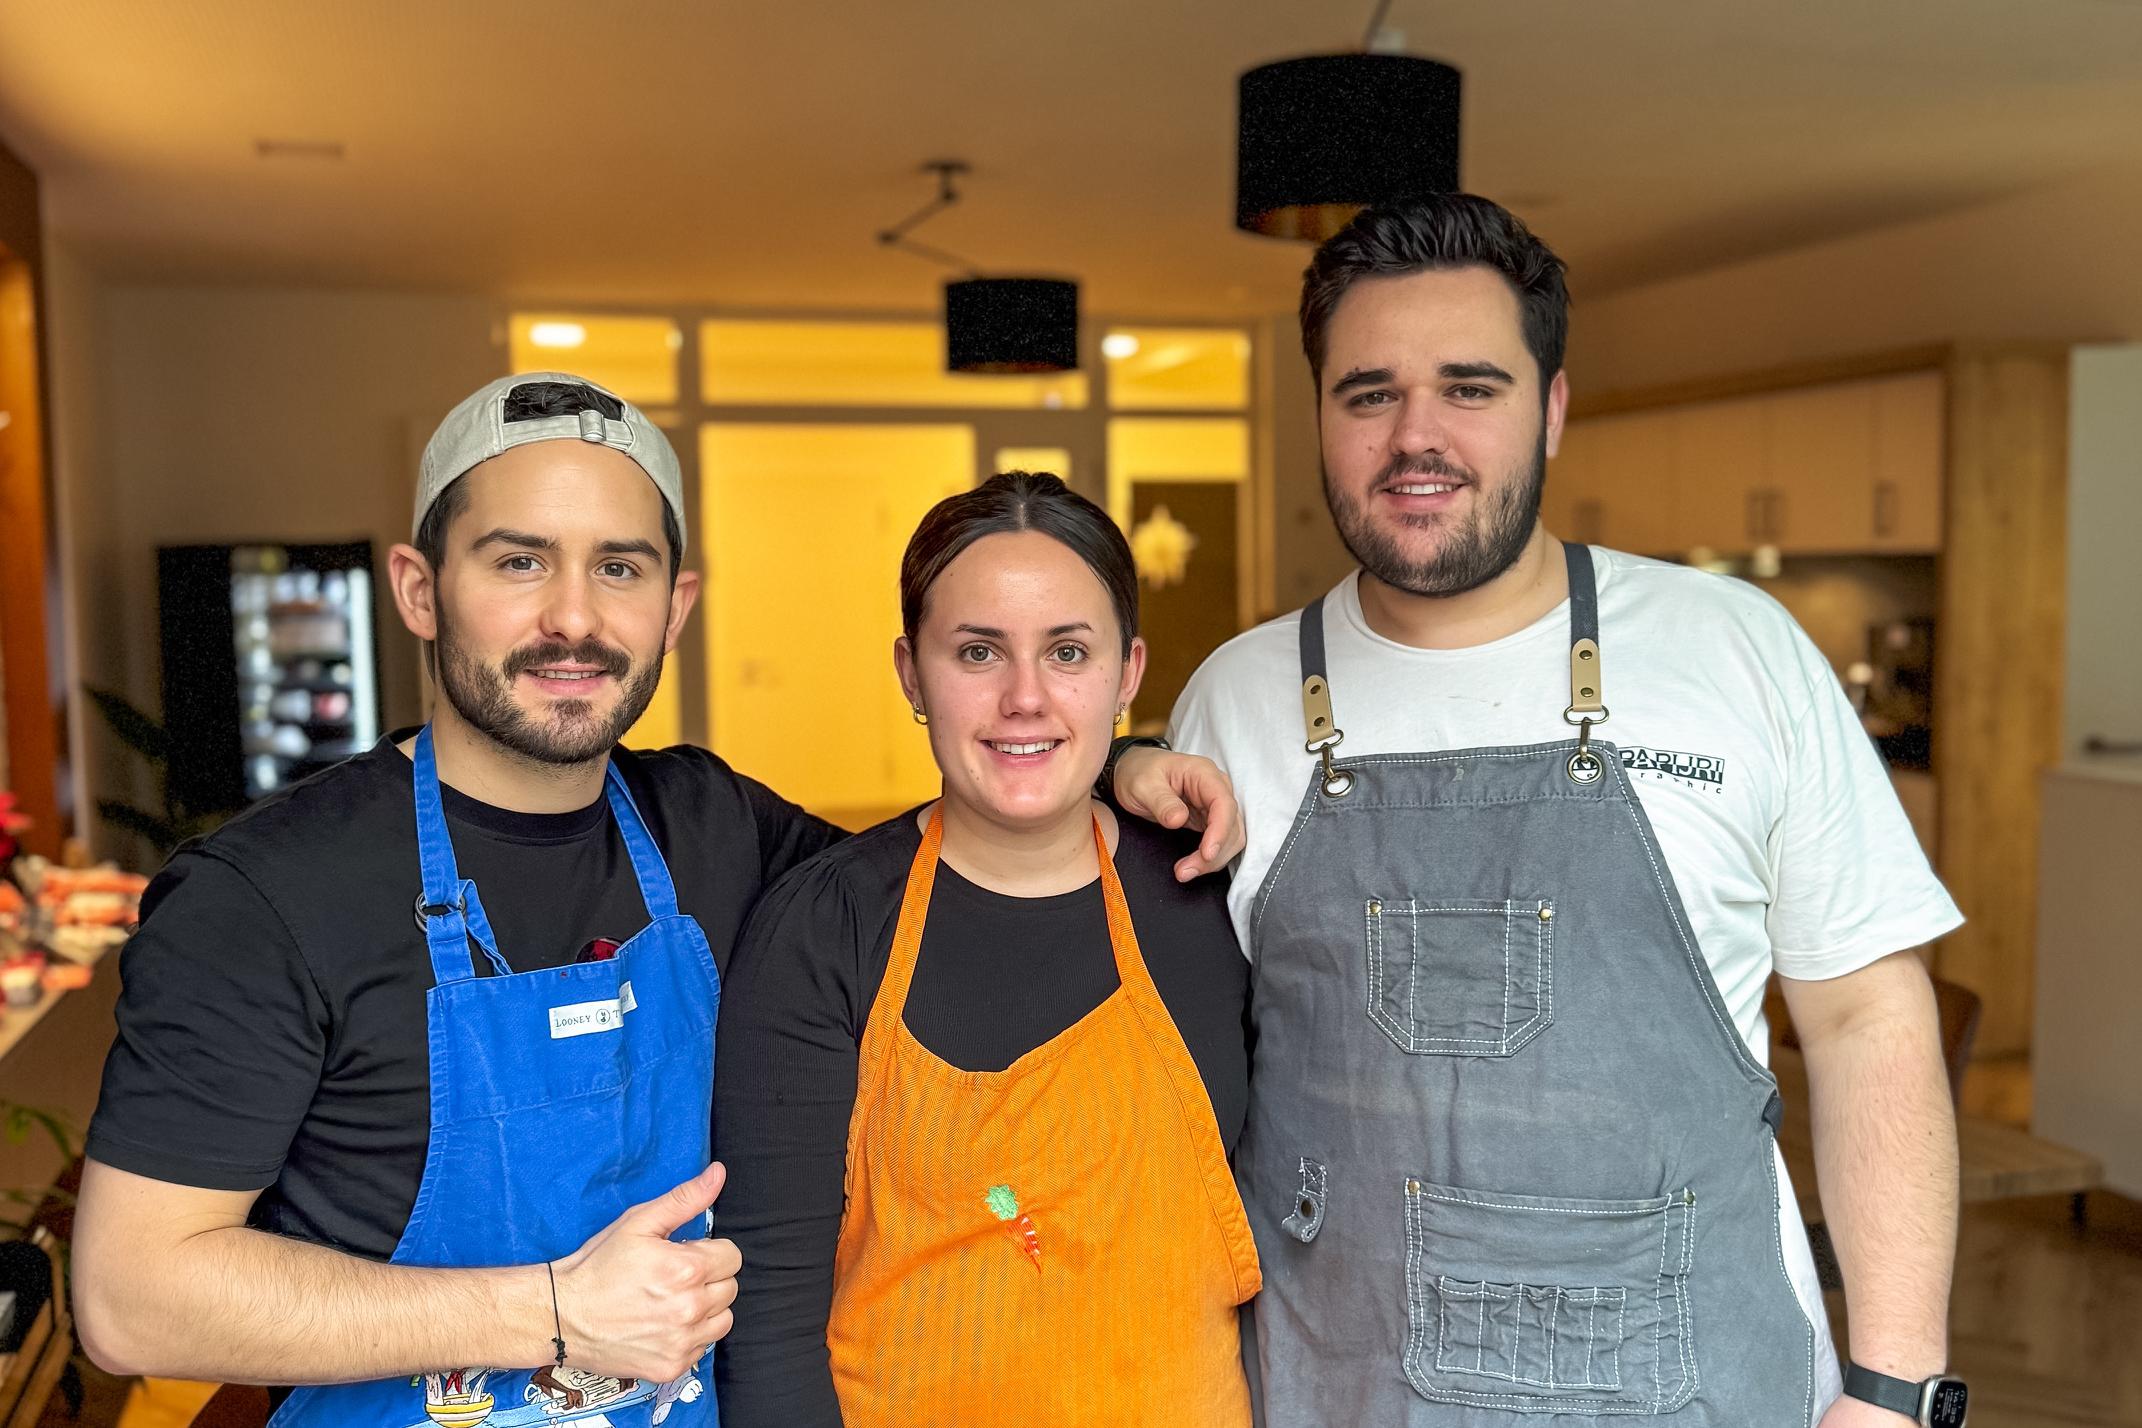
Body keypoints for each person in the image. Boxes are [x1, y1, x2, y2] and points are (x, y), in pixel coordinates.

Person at [72, 376, 1243, 1428]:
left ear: (674, 608)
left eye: (618, 568)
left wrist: (1116, 766)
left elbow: (968, 852)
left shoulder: (712, 828)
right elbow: (134, 1299)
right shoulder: (269, 894)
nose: (575, 618)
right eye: (519, 561)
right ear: (420, 590)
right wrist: (549, 1312)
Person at [1164, 198, 1968, 1427]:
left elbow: (1865, 1017)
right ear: (1319, 416)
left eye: (1470, 388)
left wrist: (1896, 1385)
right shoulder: (1233, 698)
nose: (1414, 438)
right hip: (1336, 1385)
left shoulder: (1735, 651)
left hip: (1706, 1388)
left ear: (1551, 408)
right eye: (1368, 393)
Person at [711, 473, 1260, 1427]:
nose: (1026, 697)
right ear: (912, 673)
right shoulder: (825, 928)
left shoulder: (1210, 893)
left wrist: (1138, 758)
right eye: (977, 652)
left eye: (1068, 652)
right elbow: (768, 1333)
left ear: (1127, 674)